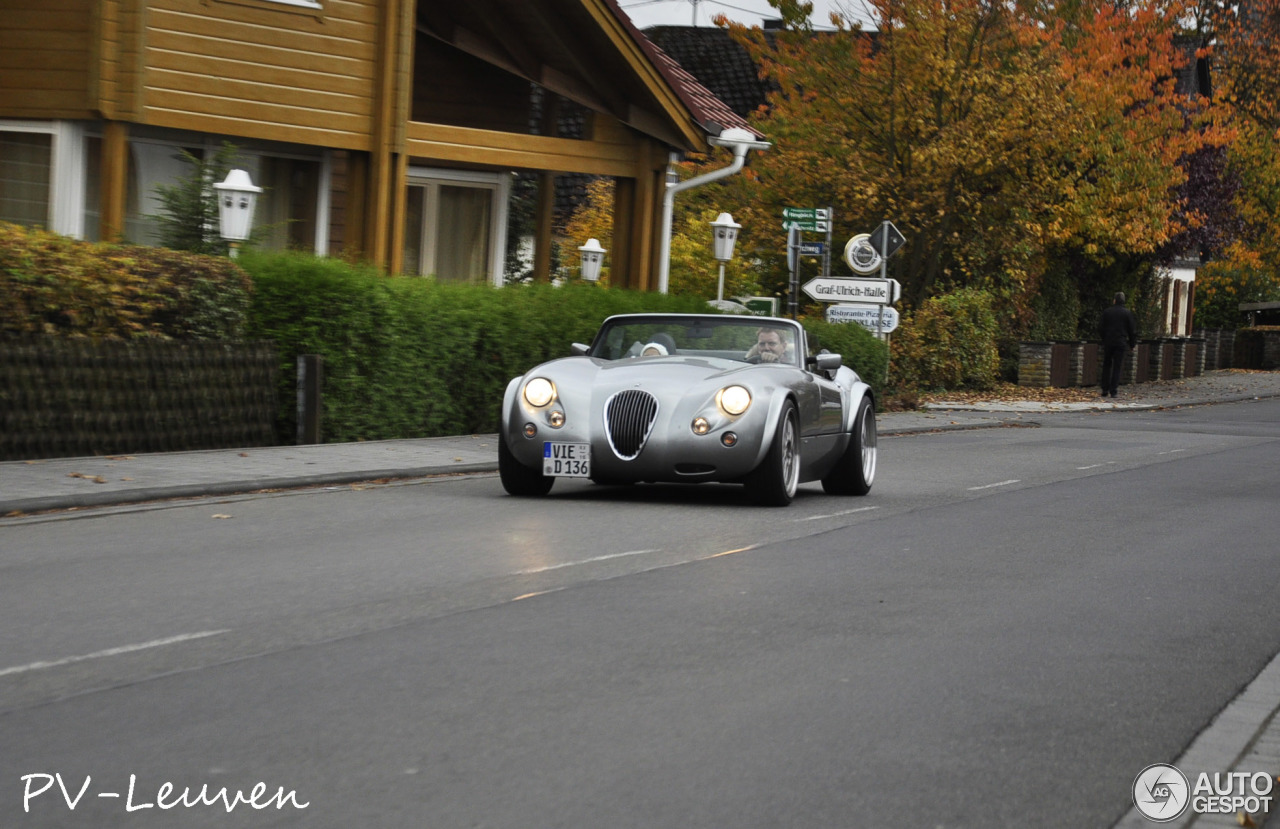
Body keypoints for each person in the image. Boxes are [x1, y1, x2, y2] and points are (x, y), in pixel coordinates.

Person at [1099, 292, 1138, 398]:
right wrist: (1132, 344)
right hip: (1121, 342)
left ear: (1114, 300)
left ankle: (1104, 389)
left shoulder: (1107, 312)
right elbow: (1132, 330)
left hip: (1108, 342)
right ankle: (1113, 390)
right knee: (1117, 366)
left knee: (1106, 365)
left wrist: (1104, 339)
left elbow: (1101, 328)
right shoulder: (1127, 313)